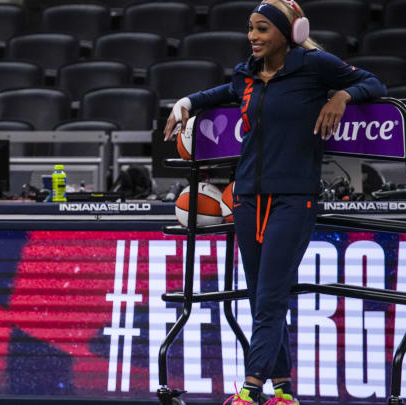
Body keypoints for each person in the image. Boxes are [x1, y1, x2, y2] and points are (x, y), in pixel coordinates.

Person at [163, 1, 386, 404]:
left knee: (269, 298)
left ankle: (250, 390)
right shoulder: (245, 74)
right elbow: (218, 92)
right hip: (248, 198)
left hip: (294, 198)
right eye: (251, 28)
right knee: (260, 297)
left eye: (262, 29)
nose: (253, 36)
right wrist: (187, 104)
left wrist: (342, 97)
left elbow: (374, 83)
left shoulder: (315, 65)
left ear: (289, 33)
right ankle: (283, 390)